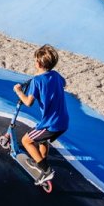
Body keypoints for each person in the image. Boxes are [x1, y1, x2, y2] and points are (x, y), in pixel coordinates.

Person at [13, 44, 69, 185]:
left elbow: (28, 102)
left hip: (51, 124)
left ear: (37, 63)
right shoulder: (56, 75)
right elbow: (64, 83)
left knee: (27, 141)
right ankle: (41, 161)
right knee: (42, 140)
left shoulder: (36, 81)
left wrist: (19, 91)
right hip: (63, 122)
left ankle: (46, 170)